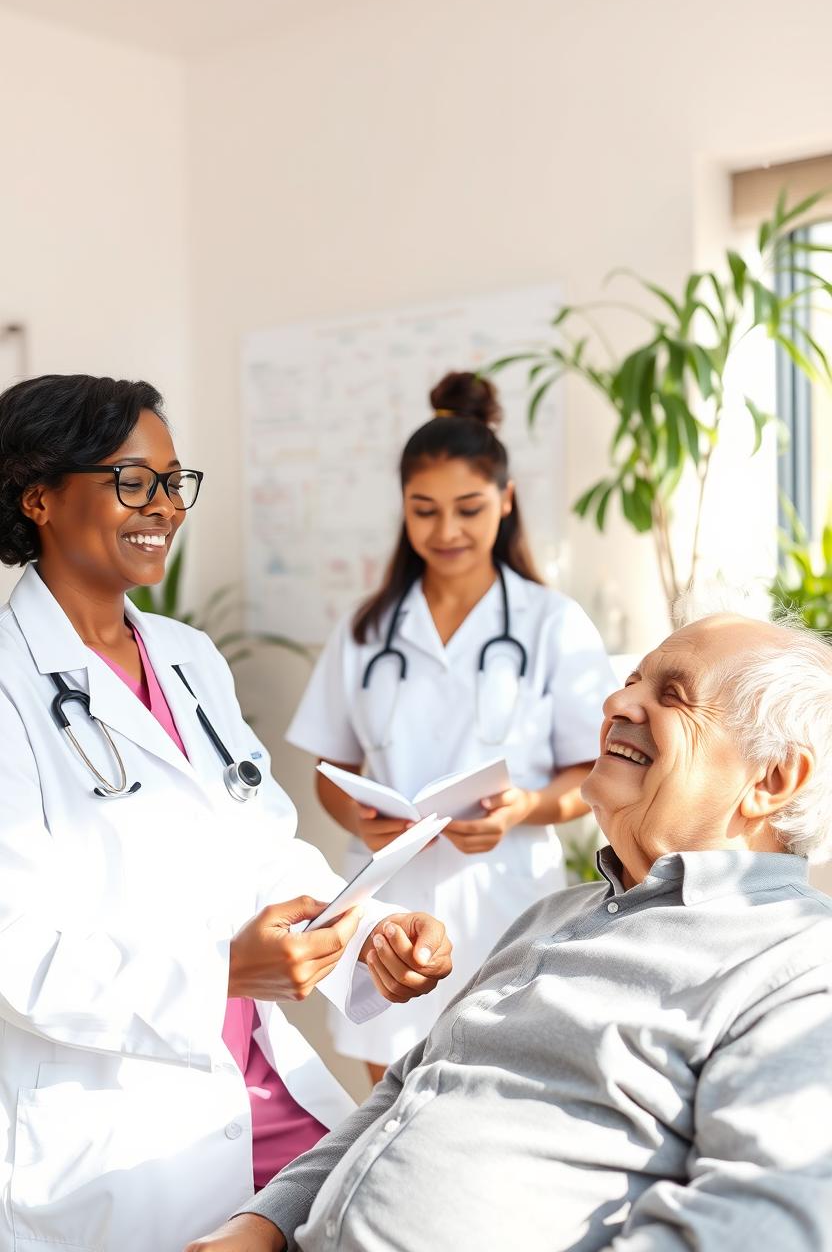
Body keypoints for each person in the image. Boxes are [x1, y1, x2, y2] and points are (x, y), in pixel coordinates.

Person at [190, 611, 832, 1252]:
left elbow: (756, 1227)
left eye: (673, 696)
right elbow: (404, 1089)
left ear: (772, 780)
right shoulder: (554, 918)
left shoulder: (798, 966)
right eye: (632, 680)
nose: (618, 701)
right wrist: (260, 1225)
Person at [0, 374, 452, 1252]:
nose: (165, 507)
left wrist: (370, 933)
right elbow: (15, 956)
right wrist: (222, 975)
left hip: (258, 1089)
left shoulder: (185, 656)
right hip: (115, 1130)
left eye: (174, 482)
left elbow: (264, 848)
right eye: (134, 481)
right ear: (40, 497)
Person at [286, 371, 617, 1081]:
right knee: (383, 1112)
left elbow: (593, 772)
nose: (447, 531)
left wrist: (527, 807)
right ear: (403, 510)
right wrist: (361, 814)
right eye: (424, 510)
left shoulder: (551, 624)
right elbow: (327, 769)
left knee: (501, 1091)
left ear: (505, 499)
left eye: (468, 508)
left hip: (505, 898)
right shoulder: (368, 629)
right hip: (388, 909)